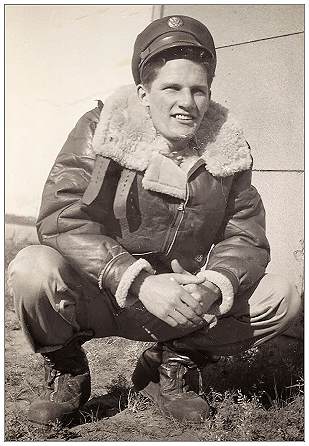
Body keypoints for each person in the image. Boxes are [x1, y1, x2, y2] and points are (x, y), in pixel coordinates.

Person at [8, 15, 301, 425]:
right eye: (172, 88)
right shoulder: (102, 130)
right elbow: (61, 216)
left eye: (199, 90)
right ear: (143, 93)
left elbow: (247, 236)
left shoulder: (227, 149)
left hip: (182, 302)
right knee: (32, 268)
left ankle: (172, 365)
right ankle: (67, 371)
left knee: (281, 295)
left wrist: (214, 284)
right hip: (102, 291)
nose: (187, 102)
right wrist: (139, 280)